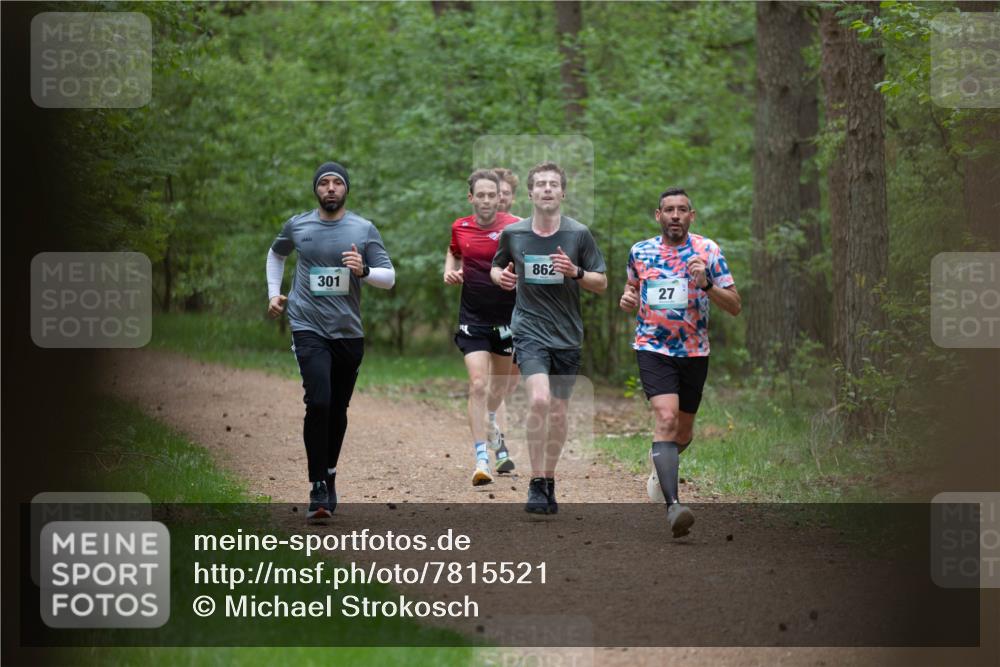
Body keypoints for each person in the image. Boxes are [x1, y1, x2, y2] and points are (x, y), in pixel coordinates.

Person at [266, 161, 395, 521]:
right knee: (319, 401)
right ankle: (317, 486)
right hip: (307, 326)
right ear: (316, 190)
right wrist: (274, 293)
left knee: (338, 409)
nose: (331, 188)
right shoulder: (298, 225)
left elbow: (389, 277)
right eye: (324, 183)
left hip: (348, 332)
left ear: (346, 189)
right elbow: (276, 253)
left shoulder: (363, 229)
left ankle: (331, 472)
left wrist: (364, 270)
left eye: (338, 182)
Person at [619, 187, 741, 537]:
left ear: (692, 216)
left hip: (694, 351)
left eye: (682, 210)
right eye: (668, 209)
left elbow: (734, 305)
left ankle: (661, 467)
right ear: (658, 215)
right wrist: (627, 299)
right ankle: (674, 506)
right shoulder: (640, 251)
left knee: (683, 432)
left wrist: (705, 284)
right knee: (666, 417)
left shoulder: (708, 251)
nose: (675, 215)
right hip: (652, 348)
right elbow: (631, 289)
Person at [491, 161, 607, 514]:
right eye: (540, 184)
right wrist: (500, 278)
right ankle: (535, 482)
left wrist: (576, 272)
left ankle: (548, 479)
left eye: (552, 184)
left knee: (557, 413)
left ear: (562, 192)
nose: (546, 189)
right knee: (539, 401)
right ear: (529, 193)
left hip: (567, 336)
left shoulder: (578, 234)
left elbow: (601, 282)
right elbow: (497, 266)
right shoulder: (515, 234)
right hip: (528, 331)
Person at [444, 169, 520, 485]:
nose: (489, 200)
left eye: (494, 194)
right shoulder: (460, 226)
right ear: (471, 197)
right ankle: (481, 458)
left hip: (508, 319)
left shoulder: (515, 227)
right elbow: (454, 250)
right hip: (472, 318)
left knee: (499, 391)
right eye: (482, 195)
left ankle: (491, 422)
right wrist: (450, 271)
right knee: (478, 384)